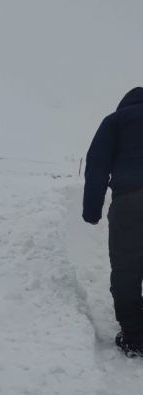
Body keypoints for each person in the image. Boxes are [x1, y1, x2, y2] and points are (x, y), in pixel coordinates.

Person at [83, 87, 143, 357]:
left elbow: (97, 164)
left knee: (127, 266)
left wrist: (92, 210)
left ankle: (134, 336)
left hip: (130, 201)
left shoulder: (115, 121)